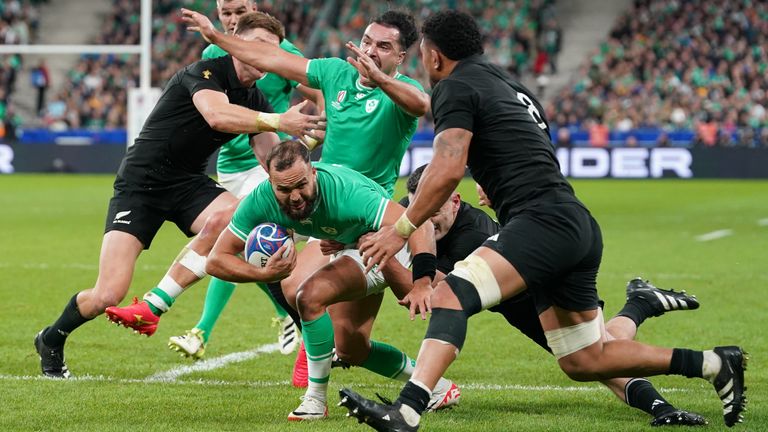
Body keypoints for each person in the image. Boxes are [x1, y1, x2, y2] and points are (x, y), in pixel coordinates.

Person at [340, 11, 747, 430]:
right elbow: (527, 151)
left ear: (435, 56)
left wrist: (400, 230)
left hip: (542, 222)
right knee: (584, 359)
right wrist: (501, 191)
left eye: (424, 55)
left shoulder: (453, 86)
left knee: (449, 296)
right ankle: (715, 363)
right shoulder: (513, 87)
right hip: (570, 223)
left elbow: (445, 169)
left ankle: (406, 413)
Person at [33, 13, 324, 379]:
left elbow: (272, 162)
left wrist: (306, 144)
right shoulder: (204, 72)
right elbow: (216, 115)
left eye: (273, 50)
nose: (267, 57)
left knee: (241, 223)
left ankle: (303, 329)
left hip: (188, 183)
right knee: (108, 293)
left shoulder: (256, 97)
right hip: (140, 185)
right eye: (259, 46)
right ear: (236, 41)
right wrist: (280, 120)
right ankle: (52, 338)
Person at [179, 7, 430, 387]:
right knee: (349, 343)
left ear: (400, 57)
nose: (371, 51)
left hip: (370, 221)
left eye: (383, 46)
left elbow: (421, 105)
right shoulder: (334, 73)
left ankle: (320, 380)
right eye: (366, 42)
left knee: (317, 306)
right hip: (325, 212)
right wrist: (216, 38)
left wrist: (380, 79)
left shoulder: (403, 93)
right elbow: (272, 58)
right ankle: (432, 384)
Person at [369, 165, 705, 427]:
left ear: (455, 200)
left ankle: (662, 402)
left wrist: (391, 258)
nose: (425, 219)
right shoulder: (415, 206)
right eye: (419, 208)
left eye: (435, 211)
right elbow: (394, 224)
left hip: (539, 295)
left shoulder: (473, 234)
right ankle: (642, 303)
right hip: (514, 300)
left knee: (600, 359)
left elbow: (444, 294)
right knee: (598, 353)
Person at [205, 140, 459, 421]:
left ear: (313, 172)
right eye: (284, 189)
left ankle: (314, 400)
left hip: (385, 244)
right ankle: (437, 386)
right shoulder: (261, 199)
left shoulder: (346, 193)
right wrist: (263, 275)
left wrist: (423, 280)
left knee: (308, 295)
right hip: (350, 244)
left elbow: (419, 223)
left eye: (301, 184)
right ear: (270, 181)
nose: (295, 196)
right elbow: (216, 259)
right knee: (352, 348)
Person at [167, 0, 325, 360]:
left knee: (234, 237)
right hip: (230, 165)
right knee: (236, 241)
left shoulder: (283, 53)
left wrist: (309, 141)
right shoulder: (213, 51)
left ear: (253, 8)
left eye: (240, 11)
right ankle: (286, 313)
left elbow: (320, 95)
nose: (233, 20)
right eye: (226, 14)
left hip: (266, 161)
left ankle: (200, 330)